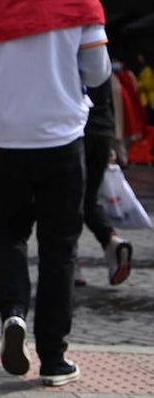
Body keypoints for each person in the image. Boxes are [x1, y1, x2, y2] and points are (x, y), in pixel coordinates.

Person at [0, 0, 111, 388]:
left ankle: (11, 315)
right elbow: (97, 71)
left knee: (8, 236)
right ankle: (54, 359)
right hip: (62, 139)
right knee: (59, 250)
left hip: (5, 140)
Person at [80, 76, 133, 286]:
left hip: (75, 131)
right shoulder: (99, 54)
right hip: (102, 130)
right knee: (89, 198)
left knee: (66, 200)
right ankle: (111, 241)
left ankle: (72, 265)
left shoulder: (64, 47)